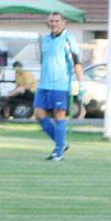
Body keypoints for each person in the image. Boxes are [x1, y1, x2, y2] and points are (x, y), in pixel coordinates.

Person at [34, 12, 83, 161]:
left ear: (63, 22)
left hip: (60, 85)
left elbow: (76, 62)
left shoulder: (69, 39)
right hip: (43, 84)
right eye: (51, 21)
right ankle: (61, 143)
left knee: (58, 116)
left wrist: (81, 84)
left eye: (56, 21)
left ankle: (58, 152)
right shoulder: (45, 39)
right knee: (38, 114)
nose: (53, 24)